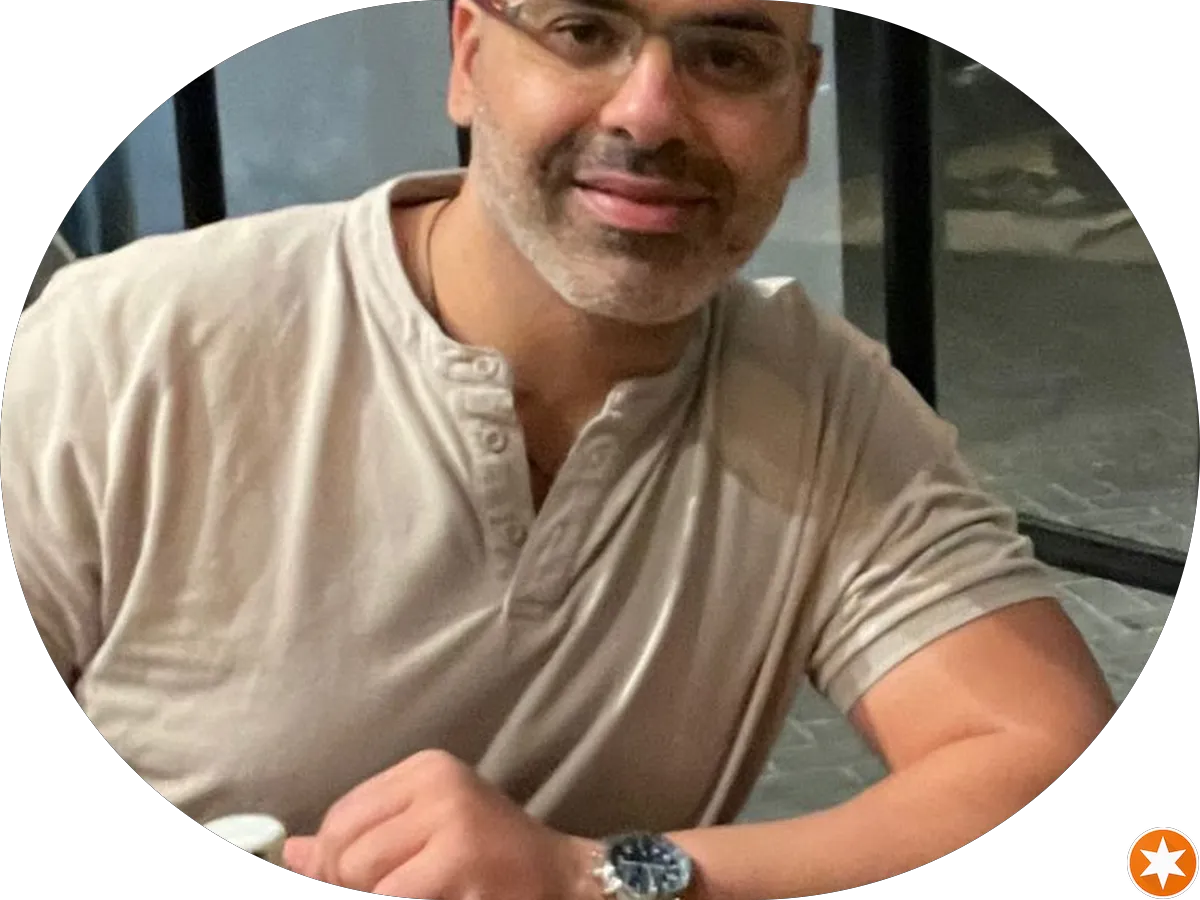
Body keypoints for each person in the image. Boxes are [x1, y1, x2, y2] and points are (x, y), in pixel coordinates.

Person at [1, 1, 1116, 898]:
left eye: (730, 56)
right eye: (584, 31)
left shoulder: (822, 402)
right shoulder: (126, 347)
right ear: (468, 56)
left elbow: (1034, 756)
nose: (650, 113)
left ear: (799, 112)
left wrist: (594, 876)